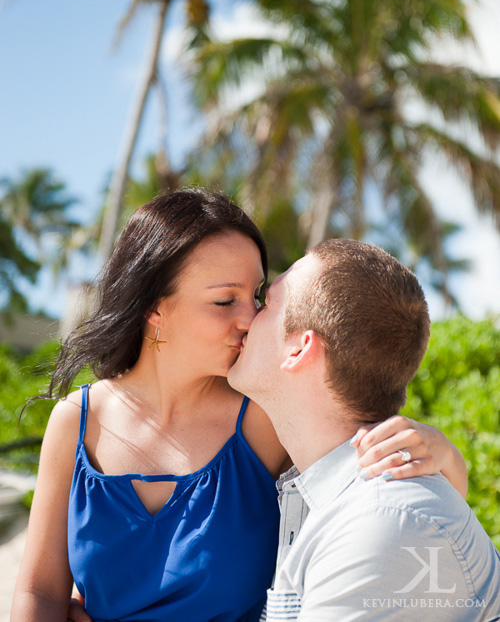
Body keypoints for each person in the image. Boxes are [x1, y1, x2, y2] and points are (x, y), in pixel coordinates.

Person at [11, 191, 467, 622]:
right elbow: (40, 592)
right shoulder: (76, 422)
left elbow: (389, 496)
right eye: (224, 300)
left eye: (255, 296)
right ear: (154, 307)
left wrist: (442, 451)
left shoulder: (266, 420)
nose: (249, 318)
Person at [227, 239, 500, 621]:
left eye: (267, 302)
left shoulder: (382, 522)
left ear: (299, 348)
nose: (247, 318)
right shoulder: (328, 496)